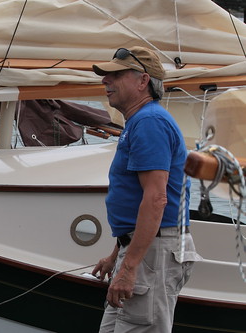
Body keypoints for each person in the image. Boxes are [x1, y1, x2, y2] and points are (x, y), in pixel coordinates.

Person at [91, 46, 202, 332]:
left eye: (115, 75)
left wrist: (130, 267)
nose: (106, 81)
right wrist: (118, 254)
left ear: (143, 81)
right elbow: (139, 201)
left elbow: (155, 199)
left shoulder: (149, 123)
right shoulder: (141, 121)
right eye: (106, 75)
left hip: (153, 255)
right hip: (145, 250)